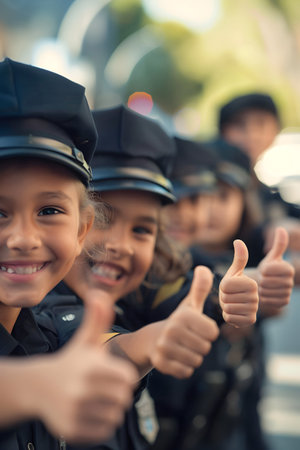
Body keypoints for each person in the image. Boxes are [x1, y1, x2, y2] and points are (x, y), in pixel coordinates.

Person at [37, 105, 261, 449]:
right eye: (102, 219)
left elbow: (182, 291)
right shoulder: (35, 305)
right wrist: (150, 342)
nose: (120, 245)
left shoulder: (144, 286)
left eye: (142, 229)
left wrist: (227, 300)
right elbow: (93, 340)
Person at [0, 58, 138, 449]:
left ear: (82, 232)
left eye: (49, 211)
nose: (23, 238)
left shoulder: (43, 335)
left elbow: (123, 348)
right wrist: (33, 387)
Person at [159, 136, 294, 450]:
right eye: (173, 199)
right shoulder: (166, 265)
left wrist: (262, 289)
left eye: (199, 198)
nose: (186, 212)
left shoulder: (254, 243)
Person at [218, 92, 300, 282]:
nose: (251, 134)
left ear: (275, 130)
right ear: (223, 131)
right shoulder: (212, 179)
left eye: (261, 124)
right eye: (240, 125)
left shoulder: (266, 191)